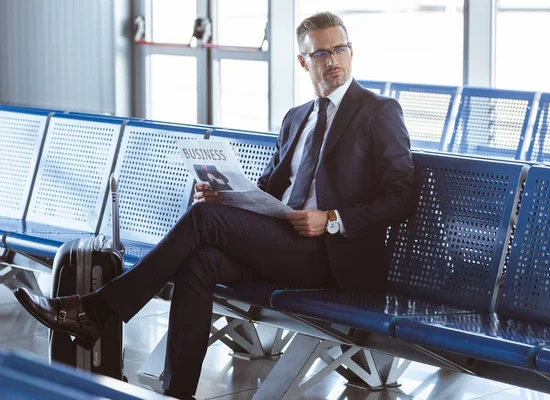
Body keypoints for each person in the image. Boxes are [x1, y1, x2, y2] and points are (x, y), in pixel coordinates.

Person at [14, 11, 415, 400]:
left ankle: (98, 310)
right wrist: (229, 196)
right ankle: (177, 391)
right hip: (286, 242)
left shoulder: (379, 111)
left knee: (205, 221)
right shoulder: (296, 118)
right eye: (321, 54)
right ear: (302, 61)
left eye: (340, 49)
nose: (333, 61)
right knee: (201, 260)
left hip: (334, 256)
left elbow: (400, 196)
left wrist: (331, 220)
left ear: (351, 51)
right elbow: (269, 190)